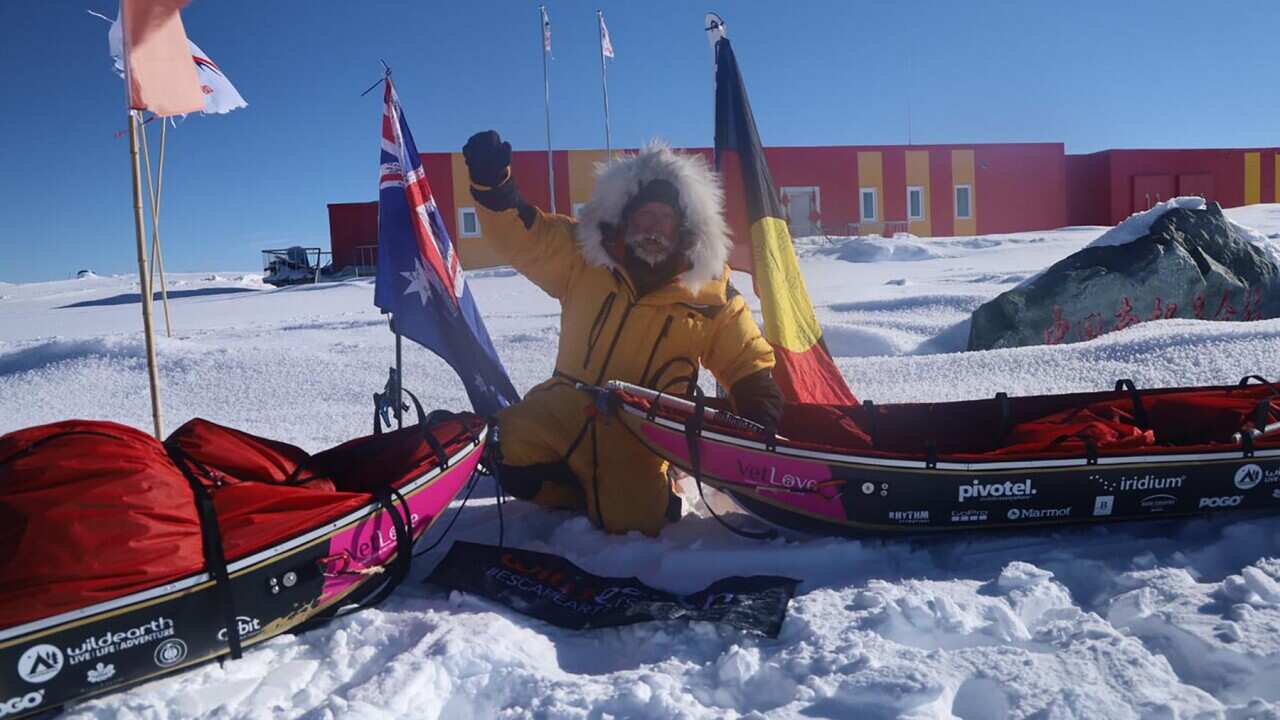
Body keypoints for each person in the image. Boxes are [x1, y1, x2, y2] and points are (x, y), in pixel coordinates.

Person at [463, 131, 782, 535]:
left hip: (638, 430)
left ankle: (656, 486)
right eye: (644, 216)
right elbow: (528, 237)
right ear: (625, 219)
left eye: (664, 219)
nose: (653, 228)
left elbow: (746, 362)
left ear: (684, 227)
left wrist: (759, 418)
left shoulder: (710, 295)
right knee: (502, 451)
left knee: (633, 523)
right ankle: (578, 487)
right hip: (560, 408)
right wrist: (495, 189)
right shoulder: (584, 258)